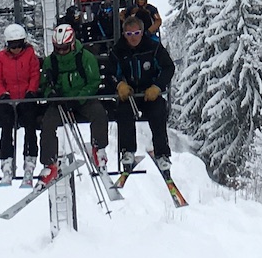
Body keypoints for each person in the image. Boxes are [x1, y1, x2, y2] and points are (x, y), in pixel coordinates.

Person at [38, 20, 109, 175]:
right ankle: (49, 162)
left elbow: (93, 81)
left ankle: (99, 148)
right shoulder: (51, 61)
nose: (61, 52)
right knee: (48, 123)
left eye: (64, 48)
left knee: (98, 113)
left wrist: (79, 98)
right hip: (60, 102)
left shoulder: (85, 57)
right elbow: (44, 84)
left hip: (82, 100)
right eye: (58, 49)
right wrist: (51, 94)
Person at [110, 11, 176, 172]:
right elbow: (110, 73)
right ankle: (127, 151)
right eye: (129, 34)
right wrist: (119, 85)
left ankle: (162, 153)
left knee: (158, 111)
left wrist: (157, 86)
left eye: (137, 33)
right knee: (124, 112)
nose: (133, 37)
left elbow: (168, 67)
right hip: (131, 95)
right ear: (124, 34)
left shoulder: (153, 48)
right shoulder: (119, 50)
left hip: (150, 93)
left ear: (142, 32)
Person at [0, 23, 42, 179]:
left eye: (18, 45)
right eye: (12, 46)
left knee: (30, 124)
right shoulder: (1, 58)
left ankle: (30, 159)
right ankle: (6, 161)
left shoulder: (30, 55)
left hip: (26, 98)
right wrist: (2, 93)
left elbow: (34, 74)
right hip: (8, 99)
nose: (16, 49)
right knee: (6, 125)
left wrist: (31, 91)